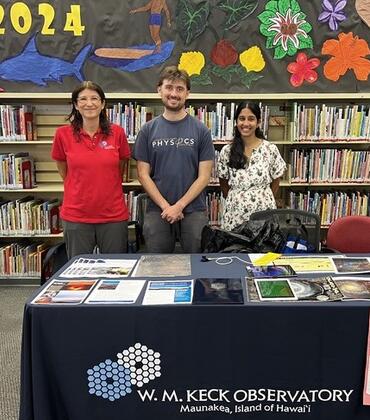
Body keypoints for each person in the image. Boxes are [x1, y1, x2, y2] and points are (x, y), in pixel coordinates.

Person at [133, 65, 215, 253]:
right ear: (159, 89)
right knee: (158, 267)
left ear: (188, 94)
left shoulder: (201, 130)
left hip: (194, 209)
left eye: (180, 89)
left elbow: (204, 177)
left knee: (196, 264)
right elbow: (143, 174)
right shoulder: (147, 130)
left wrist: (179, 206)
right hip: (157, 210)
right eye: (169, 87)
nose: (174, 93)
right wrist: (166, 206)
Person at [51, 81, 131, 259]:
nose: (89, 103)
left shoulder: (117, 133)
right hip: (76, 216)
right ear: (76, 104)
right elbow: (63, 170)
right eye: (83, 99)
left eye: (94, 98)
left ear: (102, 104)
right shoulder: (62, 134)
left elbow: (121, 165)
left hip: (113, 216)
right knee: (80, 273)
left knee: (116, 270)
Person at [217, 101, 286, 231]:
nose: (246, 123)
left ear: (258, 122)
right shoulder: (227, 151)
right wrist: (239, 199)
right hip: (235, 215)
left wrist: (263, 198)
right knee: (235, 249)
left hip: (264, 215)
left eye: (251, 119)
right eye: (242, 119)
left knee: (264, 249)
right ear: (236, 122)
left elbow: (276, 180)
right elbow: (223, 182)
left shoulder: (270, 149)